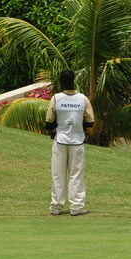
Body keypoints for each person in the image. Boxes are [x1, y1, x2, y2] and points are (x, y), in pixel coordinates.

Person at [45, 70, 95, 216]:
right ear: (74, 80)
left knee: (57, 174)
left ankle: (56, 207)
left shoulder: (56, 98)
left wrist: (60, 126)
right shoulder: (83, 99)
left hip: (60, 142)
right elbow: (90, 122)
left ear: (60, 81)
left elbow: (48, 124)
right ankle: (76, 208)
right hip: (77, 142)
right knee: (76, 175)